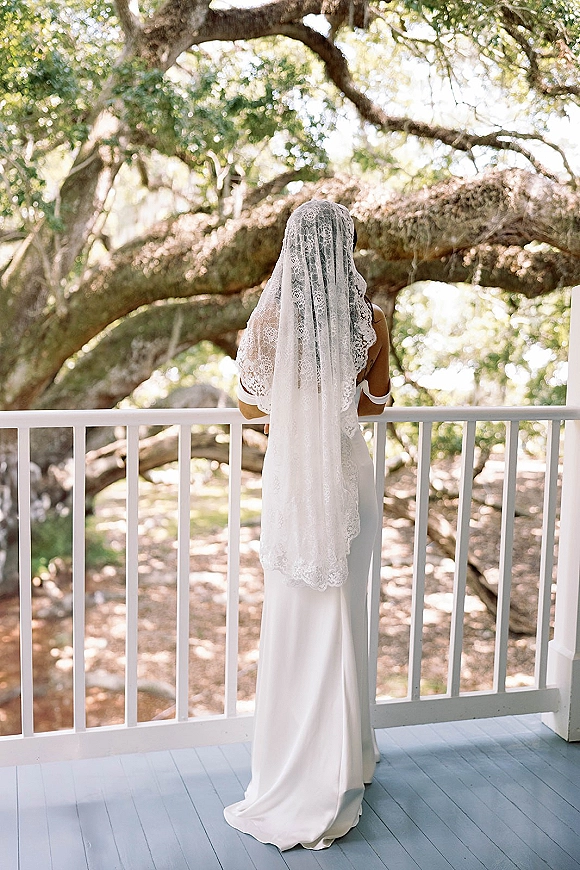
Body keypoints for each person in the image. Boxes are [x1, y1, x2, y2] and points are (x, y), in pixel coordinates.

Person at [223, 199, 391, 851]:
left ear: (292, 251)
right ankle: (348, 762)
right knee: (346, 619)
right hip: (349, 480)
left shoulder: (267, 326)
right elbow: (375, 406)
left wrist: (297, 421)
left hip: (295, 485)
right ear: (342, 250)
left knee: (295, 622)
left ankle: (295, 768)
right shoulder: (371, 321)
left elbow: (248, 411)